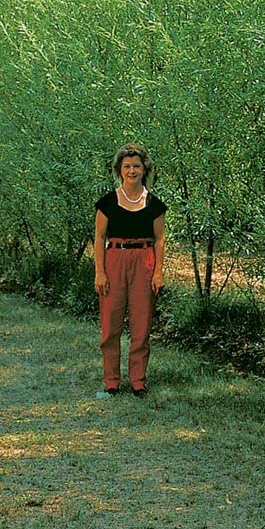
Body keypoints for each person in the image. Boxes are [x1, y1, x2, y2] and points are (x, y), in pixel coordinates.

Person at [94, 143, 167, 398]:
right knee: (110, 325)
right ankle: (111, 382)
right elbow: (99, 237)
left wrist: (158, 272)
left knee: (141, 325)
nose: (132, 171)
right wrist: (99, 272)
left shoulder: (155, 204)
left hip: (144, 262)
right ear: (119, 170)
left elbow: (159, 239)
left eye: (136, 166)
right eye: (127, 166)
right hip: (114, 260)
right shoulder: (107, 202)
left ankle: (138, 382)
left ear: (144, 168)